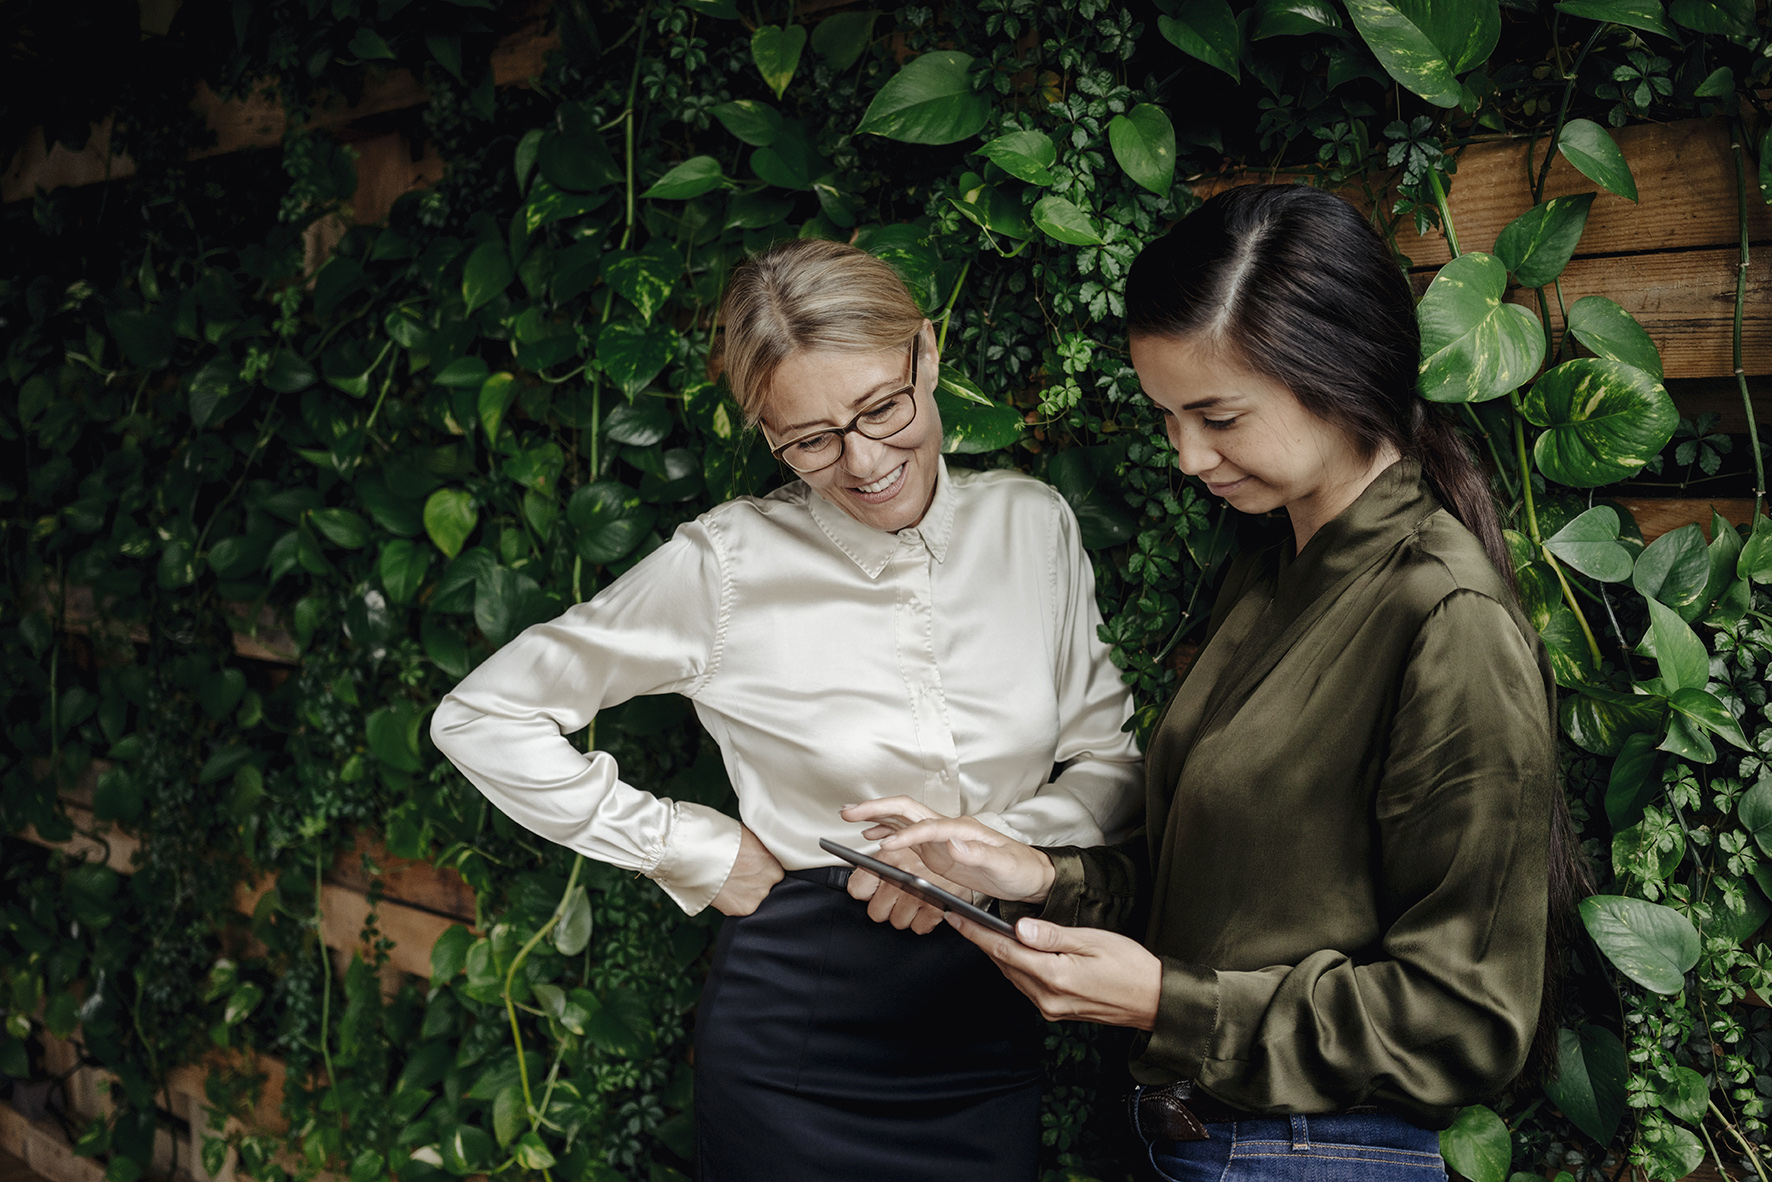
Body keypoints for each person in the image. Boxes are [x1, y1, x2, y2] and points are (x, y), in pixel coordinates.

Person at [848, 184, 1585, 1182]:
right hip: (1203, 1145)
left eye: (1217, 416)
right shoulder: (1269, 570)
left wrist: (1166, 1005)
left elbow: (1466, 1020)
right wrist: (1030, 875)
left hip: (1317, 1154)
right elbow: (1227, 912)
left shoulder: (1443, 617)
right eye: (1167, 418)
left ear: (1343, 373)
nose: (1187, 456)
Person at [429, 237, 1143, 1181]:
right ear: (766, 434)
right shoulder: (724, 563)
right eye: (809, 440)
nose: (863, 462)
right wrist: (692, 848)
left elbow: (1114, 764)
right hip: (797, 1028)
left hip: (985, 1024)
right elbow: (481, 716)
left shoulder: (1033, 523)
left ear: (927, 356)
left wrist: (998, 850)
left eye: (883, 408)